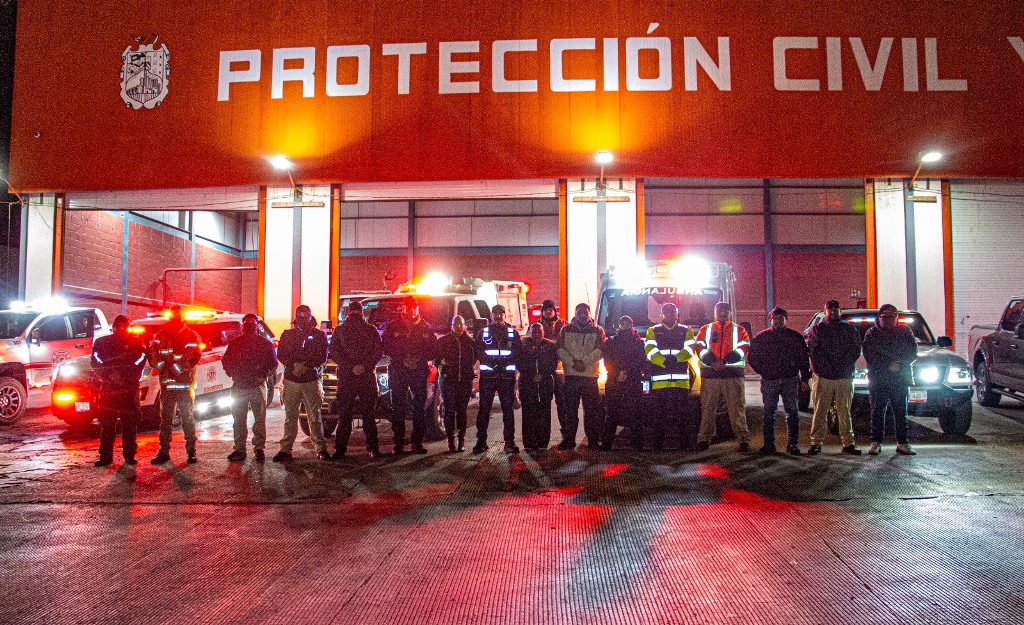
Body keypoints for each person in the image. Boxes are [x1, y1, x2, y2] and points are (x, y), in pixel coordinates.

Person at [748, 307, 810, 455]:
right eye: (775, 318)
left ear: (786, 320)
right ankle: (769, 444)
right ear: (771, 320)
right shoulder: (762, 337)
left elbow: (803, 359)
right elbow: (752, 357)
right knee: (769, 413)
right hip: (769, 381)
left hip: (790, 379)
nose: (778, 321)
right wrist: (763, 371)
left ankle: (793, 444)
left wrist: (804, 378)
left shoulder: (795, 337)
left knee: (792, 413)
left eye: (781, 318)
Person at [274, 304, 330, 462]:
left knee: (315, 416)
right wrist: (293, 365)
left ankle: (320, 448)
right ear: (296, 317)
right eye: (300, 315)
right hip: (292, 380)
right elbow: (281, 354)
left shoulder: (319, 335)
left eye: (305, 315)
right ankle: (285, 449)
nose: (303, 318)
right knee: (290, 417)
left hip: (311, 379)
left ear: (310, 316)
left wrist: (306, 366)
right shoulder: (288, 334)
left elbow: (322, 356)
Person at [807, 299, 863, 456]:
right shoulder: (817, 330)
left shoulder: (849, 329)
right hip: (823, 377)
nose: (833, 312)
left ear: (840, 312)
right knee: (820, 411)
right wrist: (824, 368)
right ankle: (816, 443)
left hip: (844, 376)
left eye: (836, 310)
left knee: (844, 412)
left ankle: (848, 443)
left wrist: (842, 365)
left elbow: (855, 349)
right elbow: (813, 351)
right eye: (830, 310)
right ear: (825, 312)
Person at [381, 299, 438, 455]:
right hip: (399, 371)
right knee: (398, 408)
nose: (411, 310)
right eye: (408, 307)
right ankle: (398, 443)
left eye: (414, 307)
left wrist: (417, 359)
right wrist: (402, 359)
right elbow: (386, 346)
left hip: (418, 370)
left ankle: (417, 443)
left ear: (418, 309)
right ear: (403, 308)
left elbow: (433, 349)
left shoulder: (426, 327)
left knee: (419, 407)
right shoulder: (393, 327)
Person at [148, 305, 202, 465]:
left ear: (183, 316)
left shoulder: (191, 335)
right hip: (167, 386)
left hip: (184, 385)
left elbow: (193, 357)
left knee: (187, 419)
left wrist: (173, 369)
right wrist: (163, 367)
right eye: (174, 315)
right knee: (165, 420)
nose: (176, 318)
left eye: (178, 315)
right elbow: (153, 355)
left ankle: (191, 452)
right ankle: (163, 452)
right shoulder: (161, 335)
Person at [91, 315, 147, 467]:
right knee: (108, 424)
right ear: (114, 327)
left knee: (128, 424)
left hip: (126, 388)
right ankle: (107, 456)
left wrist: (124, 376)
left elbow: (141, 359)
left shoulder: (136, 342)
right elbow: (96, 360)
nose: (121, 329)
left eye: (123, 326)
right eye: (118, 326)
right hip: (111, 389)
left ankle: (128, 455)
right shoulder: (103, 342)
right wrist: (110, 375)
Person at [862, 304, 919, 456]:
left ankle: (902, 442)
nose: (888, 320)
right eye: (885, 317)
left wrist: (899, 364)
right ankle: (876, 442)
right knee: (877, 412)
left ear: (896, 318)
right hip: (879, 379)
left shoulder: (905, 331)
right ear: (879, 318)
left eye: (892, 317)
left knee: (901, 412)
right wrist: (888, 365)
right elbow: (869, 355)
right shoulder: (872, 333)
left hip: (900, 379)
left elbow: (912, 351)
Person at [695, 302, 752, 452]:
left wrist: (724, 362)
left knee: (737, 409)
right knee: (708, 408)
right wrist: (713, 362)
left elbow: (744, 347)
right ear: (714, 313)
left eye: (726, 310)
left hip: (732, 375)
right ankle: (704, 438)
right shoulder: (705, 330)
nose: (723, 313)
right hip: (711, 375)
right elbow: (699, 347)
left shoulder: (739, 330)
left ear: (731, 313)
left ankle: (743, 439)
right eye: (720, 310)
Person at [330, 300, 383, 459]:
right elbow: (377, 352)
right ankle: (373, 448)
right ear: (361, 312)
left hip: (347, 377)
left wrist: (350, 366)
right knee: (369, 415)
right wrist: (365, 366)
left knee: (344, 415)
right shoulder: (371, 329)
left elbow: (334, 352)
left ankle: (340, 449)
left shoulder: (340, 330)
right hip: (366, 377)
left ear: (348, 312)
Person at [222, 313, 278, 463]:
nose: (249, 326)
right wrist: (233, 374)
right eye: (247, 323)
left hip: (257, 386)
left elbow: (273, 363)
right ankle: (239, 449)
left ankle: (259, 449)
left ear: (257, 326)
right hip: (239, 386)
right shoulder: (235, 343)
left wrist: (263, 376)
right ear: (242, 326)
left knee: (259, 420)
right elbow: (226, 361)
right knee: (238, 420)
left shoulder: (265, 344)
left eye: (252, 323)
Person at [645, 303, 697, 451]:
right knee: (658, 415)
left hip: (680, 383)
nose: (669, 314)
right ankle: (657, 445)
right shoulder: (652, 330)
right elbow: (649, 349)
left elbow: (690, 349)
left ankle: (684, 444)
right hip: (659, 382)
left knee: (682, 415)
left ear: (676, 314)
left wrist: (675, 359)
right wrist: (663, 361)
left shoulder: (686, 330)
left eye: (672, 311)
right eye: (666, 312)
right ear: (661, 314)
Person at [473, 304, 524, 454]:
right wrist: (492, 362)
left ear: (505, 316)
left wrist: (505, 364)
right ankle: (481, 441)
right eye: (495, 313)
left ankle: (509, 442)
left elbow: (518, 353)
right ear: (491, 316)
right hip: (488, 377)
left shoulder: (512, 333)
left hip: (506, 378)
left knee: (508, 411)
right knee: (484, 410)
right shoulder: (483, 333)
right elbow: (478, 351)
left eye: (501, 313)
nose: (498, 316)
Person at [555, 303, 606, 450]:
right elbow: (559, 348)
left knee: (591, 412)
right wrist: (573, 363)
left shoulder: (598, 330)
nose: (582, 315)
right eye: (579, 312)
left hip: (590, 377)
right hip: (571, 377)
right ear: (575, 313)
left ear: (589, 314)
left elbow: (601, 349)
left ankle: (593, 441)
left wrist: (584, 362)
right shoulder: (566, 329)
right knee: (570, 411)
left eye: (585, 312)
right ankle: (569, 440)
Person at [604, 315, 648, 451]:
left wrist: (626, 372)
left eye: (627, 324)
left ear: (631, 326)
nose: (624, 326)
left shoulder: (638, 343)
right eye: (622, 323)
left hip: (633, 380)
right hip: (614, 380)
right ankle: (607, 444)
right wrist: (618, 372)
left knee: (636, 414)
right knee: (611, 413)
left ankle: (637, 444)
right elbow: (607, 360)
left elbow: (640, 360)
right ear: (618, 325)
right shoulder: (611, 341)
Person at [436, 315, 477, 452]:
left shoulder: (470, 342)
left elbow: (474, 358)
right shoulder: (443, 341)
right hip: (448, 381)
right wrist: (444, 370)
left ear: (464, 325)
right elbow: (436, 360)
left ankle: (461, 439)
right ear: (451, 325)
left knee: (462, 411)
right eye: (455, 324)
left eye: (461, 324)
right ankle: (450, 439)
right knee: (449, 410)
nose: (459, 327)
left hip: (465, 381)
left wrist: (468, 371)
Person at [519, 322, 558, 450]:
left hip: (544, 386)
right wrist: (532, 375)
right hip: (527, 386)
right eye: (534, 332)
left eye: (539, 332)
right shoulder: (522, 346)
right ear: (529, 333)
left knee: (544, 415)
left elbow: (553, 363)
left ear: (543, 333)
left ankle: (543, 442)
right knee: (528, 415)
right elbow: (520, 364)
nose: (536, 335)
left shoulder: (550, 346)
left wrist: (543, 374)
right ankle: (529, 443)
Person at [539, 299, 568, 425]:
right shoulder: (536, 325)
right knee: (544, 401)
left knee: (562, 401)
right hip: (544, 369)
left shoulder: (564, 324)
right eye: (546, 309)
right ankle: (543, 432)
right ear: (542, 311)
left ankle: (565, 429)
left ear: (554, 311)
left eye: (551, 309)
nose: (548, 312)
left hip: (560, 369)